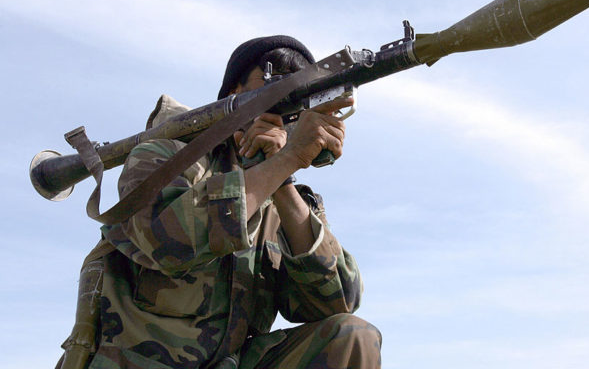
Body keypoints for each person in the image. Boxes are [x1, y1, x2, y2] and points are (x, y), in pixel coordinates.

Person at [65, 36, 381, 369]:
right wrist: (284, 163)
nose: (284, 108)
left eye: (296, 100)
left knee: (351, 337)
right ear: (233, 94)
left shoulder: (283, 194)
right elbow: (167, 241)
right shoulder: (165, 157)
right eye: (273, 90)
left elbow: (337, 301)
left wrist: (283, 176)